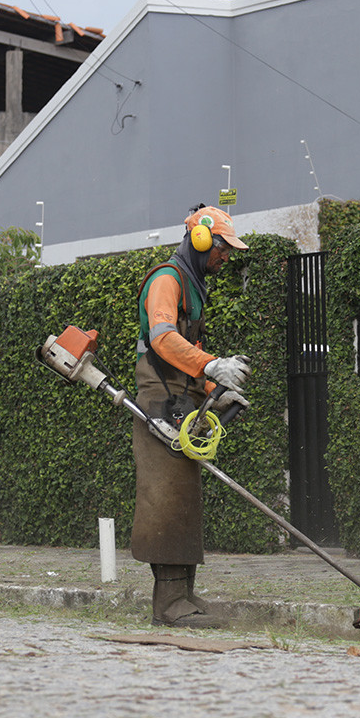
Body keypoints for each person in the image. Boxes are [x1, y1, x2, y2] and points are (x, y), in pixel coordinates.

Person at [132, 205, 252, 628]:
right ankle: (168, 605)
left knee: (185, 500)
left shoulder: (194, 284)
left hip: (183, 401)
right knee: (164, 501)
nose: (225, 257)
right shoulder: (168, 278)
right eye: (222, 248)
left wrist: (215, 391)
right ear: (201, 240)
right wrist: (211, 365)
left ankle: (185, 594)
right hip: (159, 404)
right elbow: (163, 340)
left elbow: (187, 359)